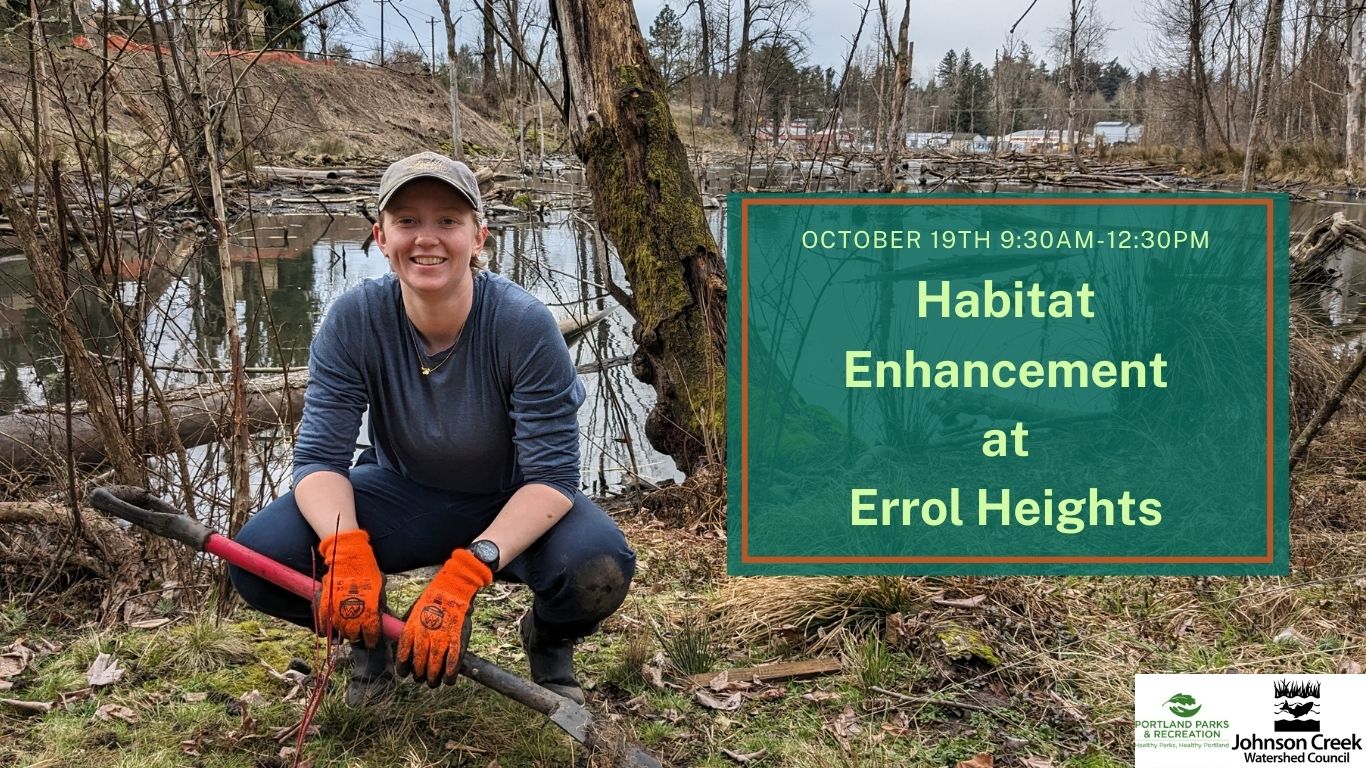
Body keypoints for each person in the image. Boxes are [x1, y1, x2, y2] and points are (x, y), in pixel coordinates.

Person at [228, 151, 636, 706]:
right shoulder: (354, 321)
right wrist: (345, 547)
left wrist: (470, 571)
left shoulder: (522, 325)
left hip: (511, 499)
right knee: (261, 559)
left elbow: (555, 478)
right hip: (401, 495)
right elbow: (319, 462)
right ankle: (373, 638)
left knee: (598, 565)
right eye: (407, 221)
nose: (427, 238)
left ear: (479, 236)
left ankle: (549, 638)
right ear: (380, 235)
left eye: (448, 220)